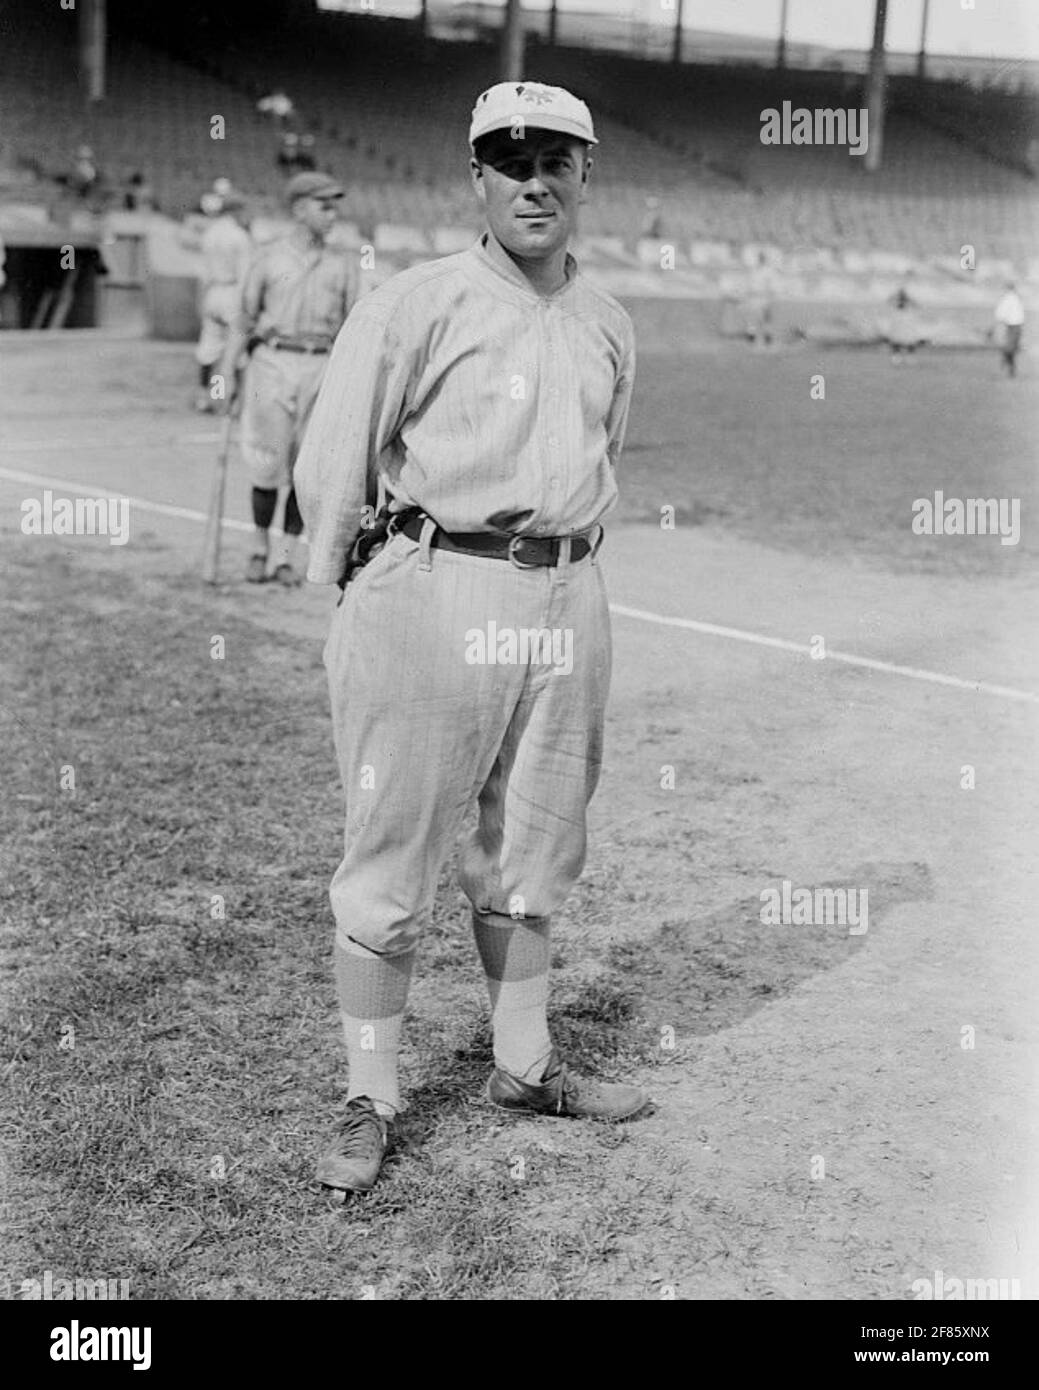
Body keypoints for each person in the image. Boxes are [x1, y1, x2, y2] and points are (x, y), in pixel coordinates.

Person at [294, 79, 648, 1198]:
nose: (533, 180)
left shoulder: (606, 320)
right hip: (435, 581)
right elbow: (334, 455)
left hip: (565, 592)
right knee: (393, 849)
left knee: (535, 848)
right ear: (477, 181)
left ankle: (523, 1062)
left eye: (555, 160)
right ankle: (371, 1094)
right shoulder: (416, 301)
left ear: (587, 175)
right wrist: (348, 595)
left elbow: (604, 458)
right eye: (509, 161)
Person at [219, 171, 358, 586]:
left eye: (335, 205)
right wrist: (226, 371)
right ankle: (259, 547)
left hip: (321, 365)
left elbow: (353, 328)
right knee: (266, 462)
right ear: (299, 209)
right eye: (324, 205)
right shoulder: (267, 257)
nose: (332, 214)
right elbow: (243, 319)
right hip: (272, 364)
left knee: (305, 467)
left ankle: (285, 556)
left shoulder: (343, 263)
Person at [193, 190, 252, 413]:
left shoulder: (209, 234)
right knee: (236, 349)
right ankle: (231, 401)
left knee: (210, 347)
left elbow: (202, 273)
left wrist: (201, 302)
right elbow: (245, 275)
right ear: (235, 210)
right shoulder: (239, 235)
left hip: (213, 292)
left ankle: (206, 396)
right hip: (233, 291)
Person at [994, 281, 1025, 378]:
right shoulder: (1015, 298)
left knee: (1009, 348)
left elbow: (1000, 314)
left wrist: (998, 323)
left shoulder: (1008, 299)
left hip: (1012, 326)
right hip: (1016, 326)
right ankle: (1009, 367)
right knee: (1011, 348)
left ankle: (1006, 365)